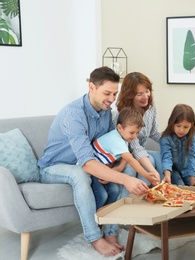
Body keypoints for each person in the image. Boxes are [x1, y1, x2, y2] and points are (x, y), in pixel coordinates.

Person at [37, 66, 149, 257]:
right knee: (82, 174)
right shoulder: (74, 115)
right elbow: (87, 163)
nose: (112, 99)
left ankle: (111, 231)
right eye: (107, 93)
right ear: (91, 88)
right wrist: (124, 180)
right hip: (55, 167)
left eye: (114, 94)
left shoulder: (106, 112)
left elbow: (106, 147)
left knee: (127, 170)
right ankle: (95, 237)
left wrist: (118, 168)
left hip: (87, 162)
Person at [91, 107, 160, 209]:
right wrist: (147, 175)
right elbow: (131, 161)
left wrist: (118, 168)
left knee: (114, 190)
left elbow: (126, 156)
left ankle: (109, 218)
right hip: (93, 170)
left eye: (137, 133)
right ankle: (96, 220)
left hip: (104, 169)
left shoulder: (123, 137)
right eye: (132, 133)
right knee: (102, 196)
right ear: (120, 128)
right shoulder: (116, 140)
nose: (134, 136)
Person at [114, 72, 162, 192]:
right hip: (125, 154)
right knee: (149, 162)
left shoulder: (151, 107)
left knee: (164, 157)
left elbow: (154, 133)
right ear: (130, 95)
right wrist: (152, 172)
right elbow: (135, 147)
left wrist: (173, 142)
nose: (145, 96)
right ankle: (138, 197)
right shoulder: (124, 114)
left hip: (140, 150)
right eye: (139, 94)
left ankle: (164, 192)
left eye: (147, 91)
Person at [160, 104, 195, 186]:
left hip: (187, 172)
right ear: (172, 123)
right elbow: (166, 158)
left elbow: (193, 157)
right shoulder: (165, 138)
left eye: (186, 127)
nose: (181, 130)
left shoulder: (193, 136)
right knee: (181, 187)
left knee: (194, 188)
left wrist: (193, 179)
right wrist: (167, 176)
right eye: (178, 126)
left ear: (191, 125)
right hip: (172, 171)